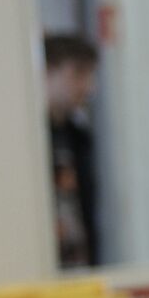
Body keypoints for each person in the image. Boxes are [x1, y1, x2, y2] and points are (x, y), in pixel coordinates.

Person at [44, 33, 101, 268]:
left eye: (89, 75)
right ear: (47, 71)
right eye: (78, 74)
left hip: (80, 267)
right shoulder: (27, 143)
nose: (87, 87)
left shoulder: (78, 137)